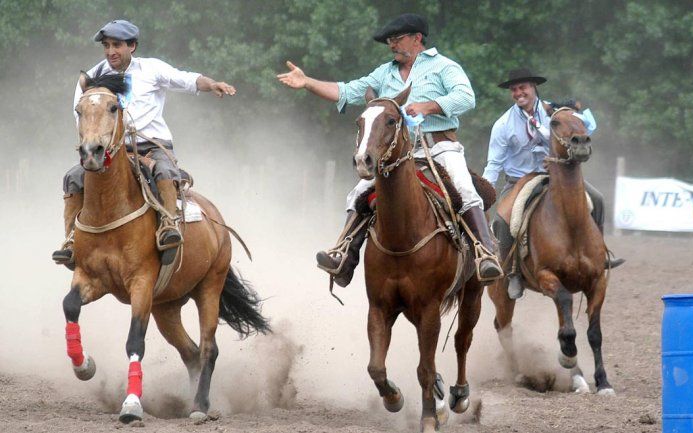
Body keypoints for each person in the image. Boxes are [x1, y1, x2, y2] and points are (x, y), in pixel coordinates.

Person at [277, 13, 503, 287]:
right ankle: (343, 255)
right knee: (358, 193)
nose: (391, 45)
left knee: (465, 189)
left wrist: (428, 106)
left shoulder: (444, 66)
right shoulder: (383, 73)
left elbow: (466, 97)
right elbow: (346, 91)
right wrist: (307, 82)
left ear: (417, 38)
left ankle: (485, 254)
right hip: (397, 154)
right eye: (389, 41)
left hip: (440, 147)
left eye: (397, 39)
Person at [52, 19, 237, 269]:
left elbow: (187, 80)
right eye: (106, 46)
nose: (110, 52)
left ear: (132, 46)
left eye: (116, 45)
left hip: (152, 146)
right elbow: (81, 113)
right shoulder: (93, 76)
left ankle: (168, 226)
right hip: (112, 151)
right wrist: (94, 143)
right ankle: (71, 240)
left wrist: (211, 84)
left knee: (165, 171)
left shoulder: (151, 69)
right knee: (73, 178)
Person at [482, 68, 624, 298]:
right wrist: (485, 193)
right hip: (520, 180)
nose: (519, 93)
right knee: (501, 221)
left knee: (597, 199)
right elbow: (494, 163)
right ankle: (512, 273)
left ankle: (600, 255)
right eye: (514, 89)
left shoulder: (556, 112)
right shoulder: (503, 125)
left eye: (523, 87)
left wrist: (576, 111)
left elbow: (588, 125)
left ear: (533, 88)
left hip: (559, 176)